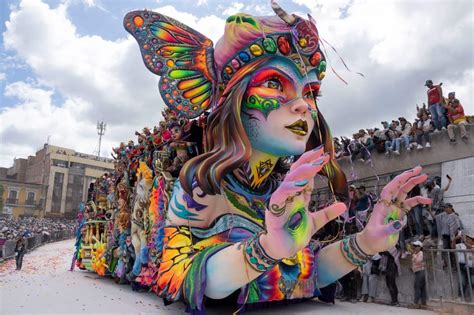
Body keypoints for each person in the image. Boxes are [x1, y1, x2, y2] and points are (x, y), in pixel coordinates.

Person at [122, 4, 432, 311]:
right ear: (234, 100)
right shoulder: (202, 188)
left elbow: (304, 276)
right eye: (273, 83)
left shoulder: (286, 189)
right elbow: (178, 275)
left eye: (310, 92)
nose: (302, 106)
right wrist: (266, 249)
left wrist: (366, 243)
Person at [436, 203, 462, 269]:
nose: (445, 209)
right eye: (444, 208)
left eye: (446, 207)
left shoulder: (455, 216)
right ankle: (450, 264)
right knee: (447, 250)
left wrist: (455, 236)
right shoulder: (442, 215)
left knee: (454, 251)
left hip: (453, 236)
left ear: (450, 208)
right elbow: (435, 218)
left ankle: (456, 265)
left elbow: (458, 227)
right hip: (445, 235)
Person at [453, 231, 474, 301]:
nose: (468, 239)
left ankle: (472, 297)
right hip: (462, 266)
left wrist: (464, 240)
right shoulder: (461, 245)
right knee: (462, 282)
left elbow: (471, 248)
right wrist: (455, 239)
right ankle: (460, 296)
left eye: (470, 238)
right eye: (467, 238)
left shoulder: (472, 245)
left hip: (472, 268)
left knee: (473, 282)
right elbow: (453, 247)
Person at [411, 240, 427, 308]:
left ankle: (416, 303)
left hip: (420, 272)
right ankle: (423, 304)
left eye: (416, 246)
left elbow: (418, 261)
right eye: (414, 246)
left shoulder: (420, 253)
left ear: (420, 247)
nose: (415, 247)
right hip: (418, 272)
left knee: (417, 287)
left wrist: (414, 255)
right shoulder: (416, 253)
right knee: (422, 288)